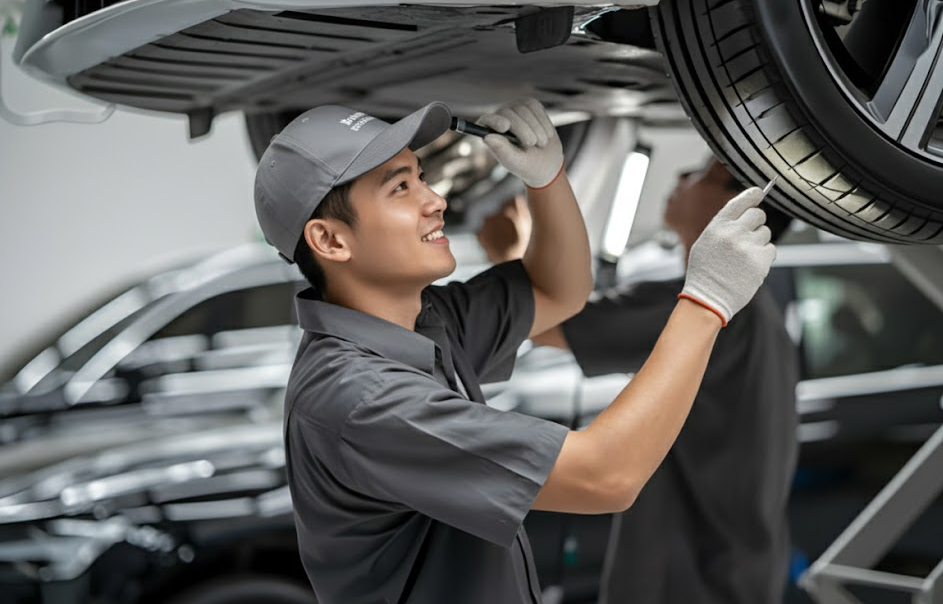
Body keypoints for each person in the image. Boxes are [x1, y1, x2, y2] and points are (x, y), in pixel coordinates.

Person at [252, 99, 777, 604]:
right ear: (331, 241)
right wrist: (706, 302)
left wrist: (546, 183)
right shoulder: (361, 400)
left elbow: (556, 292)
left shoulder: (425, 321)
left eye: (422, 177)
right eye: (401, 188)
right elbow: (605, 476)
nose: (436, 200)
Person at [477, 157, 800, 604]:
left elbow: (548, 323)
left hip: (690, 574)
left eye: (703, 174)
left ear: (738, 207)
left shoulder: (705, 304)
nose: (681, 177)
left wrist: (508, 253)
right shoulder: (753, 309)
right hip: (737, 565)